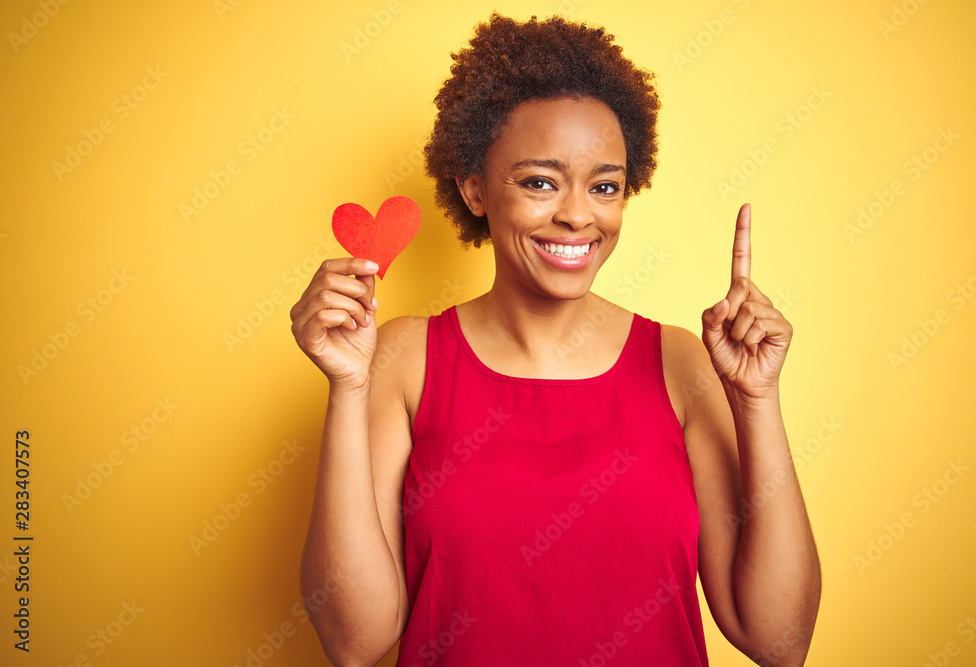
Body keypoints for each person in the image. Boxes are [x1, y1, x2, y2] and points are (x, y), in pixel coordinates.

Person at [289, 12, 821, 667]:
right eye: (540, 181)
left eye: (604, 185)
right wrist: (347, 387)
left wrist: (759, 400)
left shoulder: (684, 362)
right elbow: (354, 641)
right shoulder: (403, 360)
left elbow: (780, 640)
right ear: (475, 188)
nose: (577, 213)